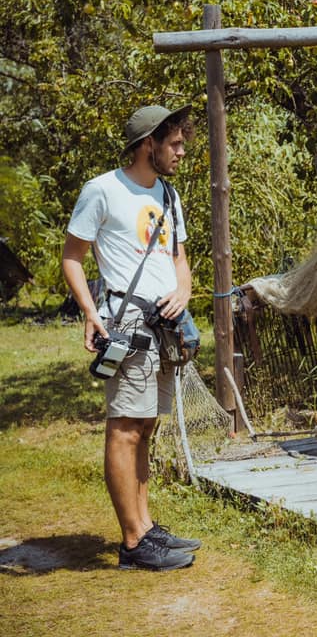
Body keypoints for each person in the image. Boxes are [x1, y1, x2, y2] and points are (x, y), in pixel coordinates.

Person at [62, 104, 201, 570]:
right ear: (149, 145)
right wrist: (89, 311)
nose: (182, 152)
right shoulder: (102, 190)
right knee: (124, 429)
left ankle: (145, 524)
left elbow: (180, 258)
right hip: (127, 325)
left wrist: (183, 291)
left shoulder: (168, 194)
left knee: (146, 426)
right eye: (175, 144)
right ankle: (132, 543)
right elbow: (73, 257)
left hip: (165, 329)